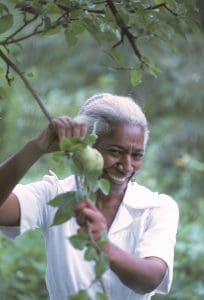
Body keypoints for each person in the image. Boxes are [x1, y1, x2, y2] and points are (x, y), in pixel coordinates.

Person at [0, 93, 179, 300]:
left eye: (137, 155)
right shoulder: (56, 195)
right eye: (115, 151)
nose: (127, 166)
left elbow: (150, 279)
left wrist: (104, 245)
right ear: (88, 147)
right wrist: (35, 148)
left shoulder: (156, 208)